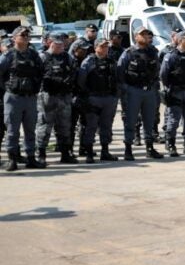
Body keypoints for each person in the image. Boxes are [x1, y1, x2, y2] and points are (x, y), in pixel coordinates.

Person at [0, 26, 46, 171]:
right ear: (14, 38)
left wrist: (36, 88)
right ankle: (12, 159)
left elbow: (41, 72)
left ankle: (31, 158)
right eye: (22, 35)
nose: (26, 37)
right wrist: (6, 89)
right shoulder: (8, 55)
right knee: (12, 131)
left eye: (27, 35)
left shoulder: (33, 54)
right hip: (13, 97)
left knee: (30, 129)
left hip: (30, 97)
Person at [118, 26, 163, 161]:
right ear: (135, 37)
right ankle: (128, 149)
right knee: (130, 120)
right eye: (141, 34)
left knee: (149, 120)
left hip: (149, 90)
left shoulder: (153, 52)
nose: (144, 36)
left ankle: (149, 148)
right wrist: (125, 90)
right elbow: (120, 73)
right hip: (133, 91)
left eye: (146, 34)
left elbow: (157, 70)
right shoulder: (128, 53)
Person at [35, 33, 76, 165]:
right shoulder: (42, 57)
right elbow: (35, 76)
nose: (59, 46)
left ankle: (65, 154)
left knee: (65, 126)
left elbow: (74, 72)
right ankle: (41, 154)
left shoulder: (67, 57)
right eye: (57, 43)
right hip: (47, 96)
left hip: (64, 96)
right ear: (50, 43)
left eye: (62, 44)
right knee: (44, 126)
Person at [78, 37, 120, 162]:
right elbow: (81, 81)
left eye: (106, 46)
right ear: (95, 47)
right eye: (102, 46)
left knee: (106, 126)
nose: (105, 49)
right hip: (93, 98)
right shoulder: (88, 62)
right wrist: (87, 96)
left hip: (109, 98)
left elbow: (117, 78)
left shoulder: (112, 61)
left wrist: (115, 96)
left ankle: (105, 151)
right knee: (91, 126)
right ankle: (89, 153)